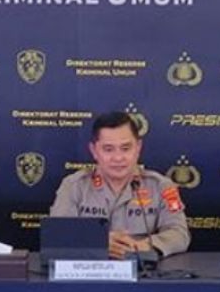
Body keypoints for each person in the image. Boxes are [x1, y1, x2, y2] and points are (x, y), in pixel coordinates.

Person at [49, 111, 190, 259]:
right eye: (108, 149)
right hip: (88, 269)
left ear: (138, 148)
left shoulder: (161, 186)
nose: (118, 158)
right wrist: (97, 242)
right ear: (94, 151)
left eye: (125, 148)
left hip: (142, 269)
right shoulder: (74, 186)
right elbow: (56, 236)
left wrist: (143, 246)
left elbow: (180, 234)